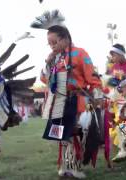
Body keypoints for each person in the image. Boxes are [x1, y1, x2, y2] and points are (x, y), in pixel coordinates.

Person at [31, 10, 103, 179]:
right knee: (62, 135)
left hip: (77, 100)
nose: (52, 46)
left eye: (54, 42)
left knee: (74, 132)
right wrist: (47, 62)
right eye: (49, 44)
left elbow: (92, 78)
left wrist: (97, 97)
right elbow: (44, 79)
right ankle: (67, 167)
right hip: (59, 102)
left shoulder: (80, 53)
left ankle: (74, 166)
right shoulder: (55, 58)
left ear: (65, 39)